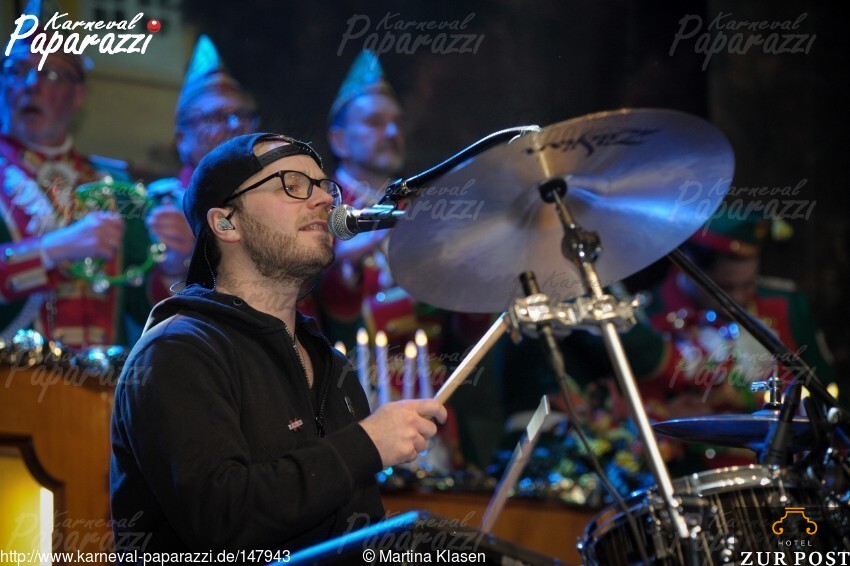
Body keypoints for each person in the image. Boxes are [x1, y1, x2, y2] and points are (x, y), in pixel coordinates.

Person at [110, 132, 447, 555]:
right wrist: (366, 444)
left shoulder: (333, 367)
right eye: (292, 184)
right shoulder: (177, 351)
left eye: (324, 186)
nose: (324, 200)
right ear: (226, 223)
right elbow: (220, 518)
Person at [0, 0, 191, 347]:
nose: (31, 84)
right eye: (17, 70)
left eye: (51, 73)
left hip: (102, 379)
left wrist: (174, 268)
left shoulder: (116, 186)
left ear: (79, 96)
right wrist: (53, 249)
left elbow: (145, 309)